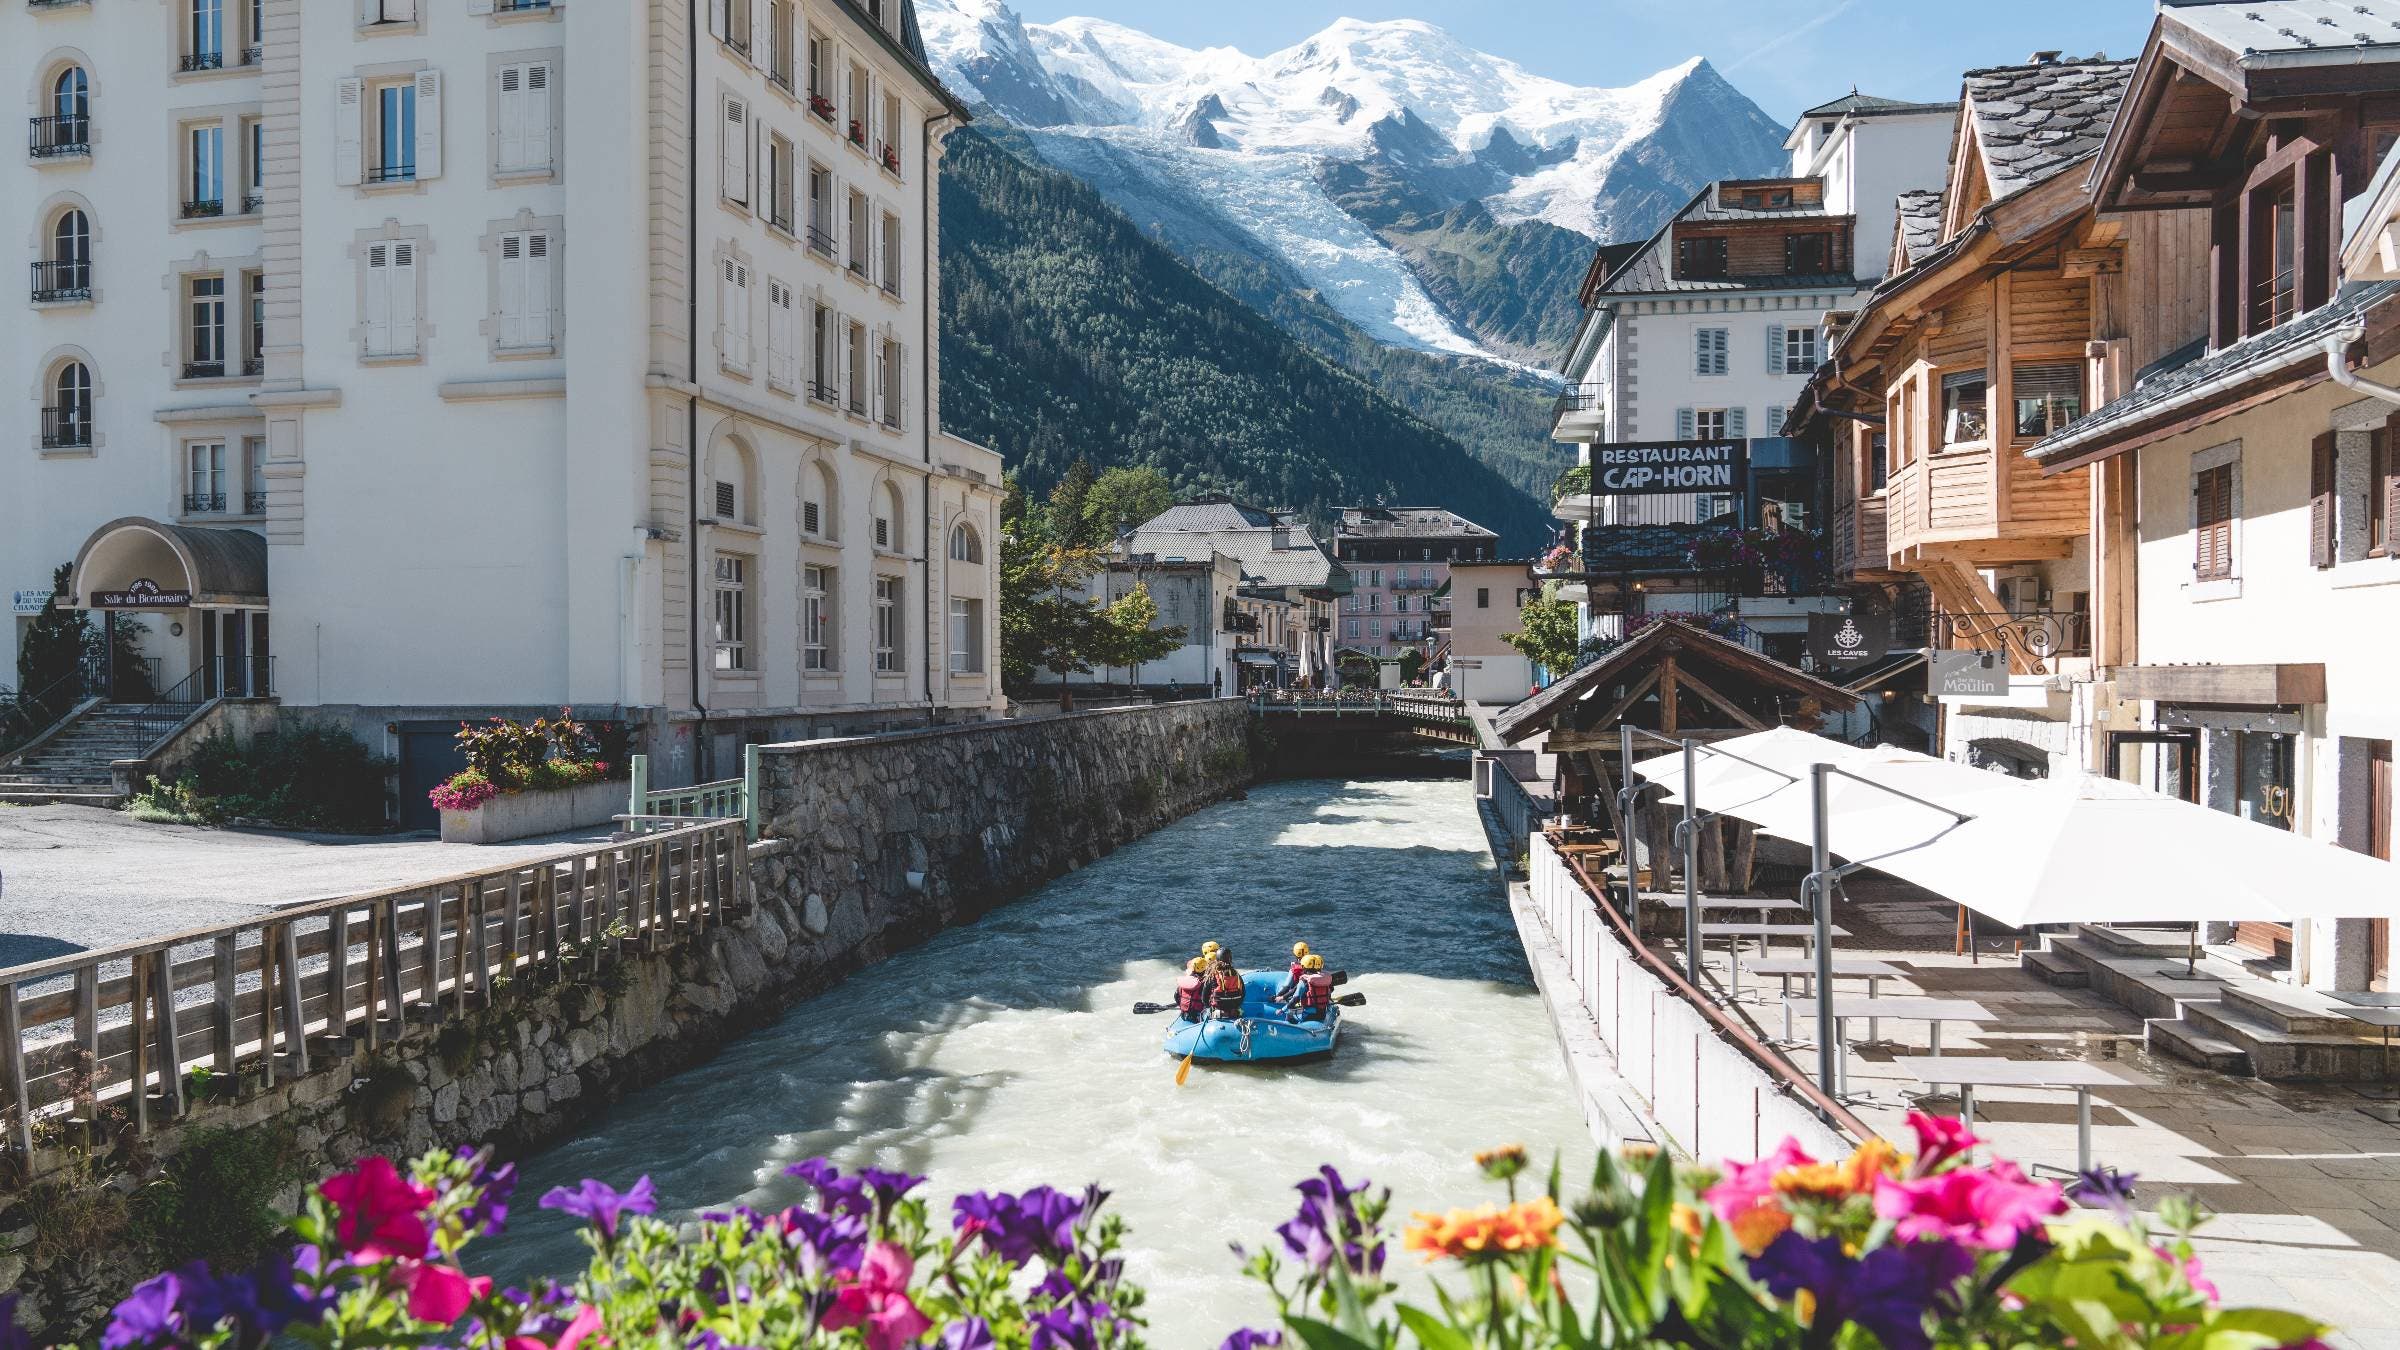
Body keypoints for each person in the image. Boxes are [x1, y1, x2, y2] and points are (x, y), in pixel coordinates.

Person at [1288, 954, 1334, 1023]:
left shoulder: (1304, 981)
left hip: (1308, 1016)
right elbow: (1330, 991)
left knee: (1289, 1016)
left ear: (1303, 966)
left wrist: (1283, 1009)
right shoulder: (1325, 980)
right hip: (1322, 1014)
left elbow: (1295, 999)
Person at [1206, 949, 1246, 1018]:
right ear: (1230, 959)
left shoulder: (1213, 975)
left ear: (1217, 959)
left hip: (1219, 1012)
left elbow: (1204, 997)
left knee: (1204, 1013)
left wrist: (1209, 1006)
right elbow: (1243, 994)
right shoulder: (1237, 975)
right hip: (1235, 1012)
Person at [1171, 957, 1210, 1022]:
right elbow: (1207, 1000)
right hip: (1196, 1017)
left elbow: (1176, 996)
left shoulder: (1185, 980)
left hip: (1183, 1015)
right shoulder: (1203, 983)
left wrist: (1182, 1006)